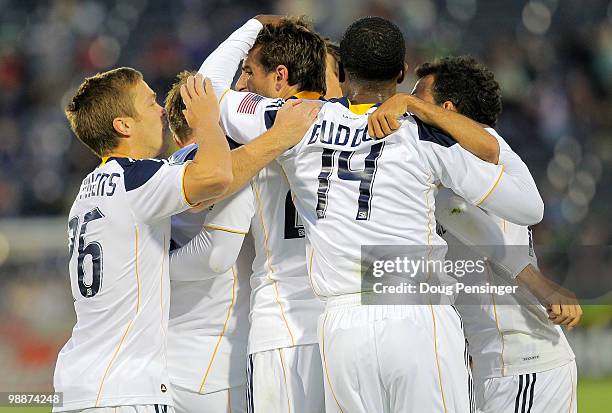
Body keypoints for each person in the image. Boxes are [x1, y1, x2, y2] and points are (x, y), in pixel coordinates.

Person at [204, 15, 545, 412]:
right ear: (401, 73)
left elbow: (207, 90)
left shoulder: (299, 121)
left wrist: (253, 25)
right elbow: (528, 206)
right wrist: (426, 110)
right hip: (418, 316)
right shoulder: (421, 133)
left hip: (342, 327)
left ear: (344, 71)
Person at [53, 66, 318, 413]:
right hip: (125, 388)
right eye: (149, 103)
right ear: (124, 125)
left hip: (76, 382)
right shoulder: (136, 179)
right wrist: (214, 120)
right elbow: (217, 176)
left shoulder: (87, 192)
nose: (161, 110)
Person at [411, 55, 579, 413]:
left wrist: (540, 284)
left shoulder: (482, 153)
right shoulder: (454, 159)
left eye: (417, 98)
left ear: (446, 109)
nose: (408, 107)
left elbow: (461, 215)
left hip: (523, 361)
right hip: (495, 364)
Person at [198, 16, 328, 412]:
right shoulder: (360, 124)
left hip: (281, 323)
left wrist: (253, 24)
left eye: (251, 71)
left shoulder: (268, 116)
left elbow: (204, 88)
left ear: (280, 77)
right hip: (343, 323)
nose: (245, 82)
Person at [163, 70, 253, 413]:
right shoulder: (204, 163)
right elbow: (216, 255)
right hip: (213, 368)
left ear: (173, 132)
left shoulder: (164, 174)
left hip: (172, 358)